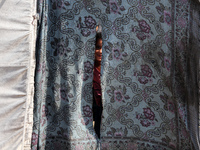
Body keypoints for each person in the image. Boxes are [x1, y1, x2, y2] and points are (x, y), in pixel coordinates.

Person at [93, 32, 103, 138]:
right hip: (94, 107)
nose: (100, 52)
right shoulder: (90, 69)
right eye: (98, 47)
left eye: (103, 48)